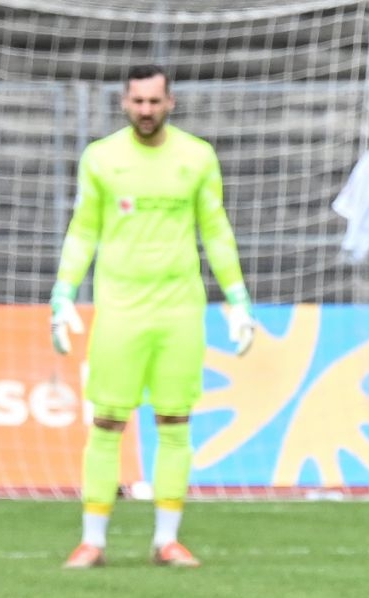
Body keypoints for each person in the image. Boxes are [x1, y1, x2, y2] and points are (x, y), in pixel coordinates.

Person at [53, 64, 257, 570]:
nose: (146, 110)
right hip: (120, 307)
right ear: (124, 103)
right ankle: (92, 541)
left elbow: (216, 230)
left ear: (171, 104)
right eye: (137, 101)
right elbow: (83, 231)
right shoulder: (101, 158)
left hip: (179, 308)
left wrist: (237, 299)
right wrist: (62, 294)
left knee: (174, 421)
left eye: (154, 101)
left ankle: (167, 539)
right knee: (106, 421)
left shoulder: (197, 157)